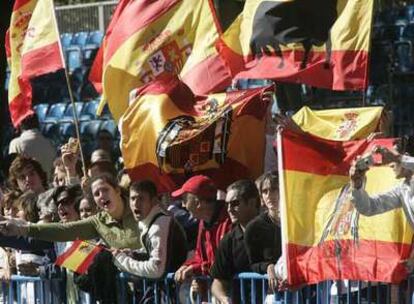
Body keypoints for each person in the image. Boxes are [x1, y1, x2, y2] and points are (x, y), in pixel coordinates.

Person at [0, 173, 140, 250]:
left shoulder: (140, 211)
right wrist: (23, 229)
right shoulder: (98, 221)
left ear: (117, 190)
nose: (101, 196)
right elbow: (64, 230)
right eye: (96, 194)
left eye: (105, 190)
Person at [173, 175, 232, 302]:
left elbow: (223, 263)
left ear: (197, 203)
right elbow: (199, 257)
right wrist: (188, 266)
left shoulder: (228, 220)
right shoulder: (203, 222)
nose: (182, 205)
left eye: (184, 199)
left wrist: (195, 270)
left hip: (231, 294)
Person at [112, 180, 187, 280]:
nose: (136, 203)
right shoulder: (147, 222)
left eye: (141, 199)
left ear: (154, 201)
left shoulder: (159, 225)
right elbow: (153, 251)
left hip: (178, 288)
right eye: (133, 198)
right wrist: (132, 254)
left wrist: (122, 261)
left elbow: (156, 269)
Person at [211, 179, 261, 304]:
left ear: (251, 202)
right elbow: (218, 282)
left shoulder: (276, 231)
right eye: (227, 204)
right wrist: (223, 298)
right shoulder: (228, 241)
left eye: (234, 203)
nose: (229, 209)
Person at [349, 136, 414, 229]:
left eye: (391, 158)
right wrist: (357, 185)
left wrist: (399, 158)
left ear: (406, 156)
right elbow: (369, 207)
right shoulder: (402, 191)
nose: (390, 164)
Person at [245, 172, 283, 295]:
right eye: (265, 191)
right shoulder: (254, 227)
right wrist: (268, 266)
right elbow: (253, 263)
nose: (269, 195)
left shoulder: (296, 221)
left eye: (274, 189)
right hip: (270, 292)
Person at [8, 114, 56, 178]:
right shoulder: (50, 142)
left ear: (20, 124)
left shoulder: (15, 143)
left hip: (32, 185)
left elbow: (13, 173)